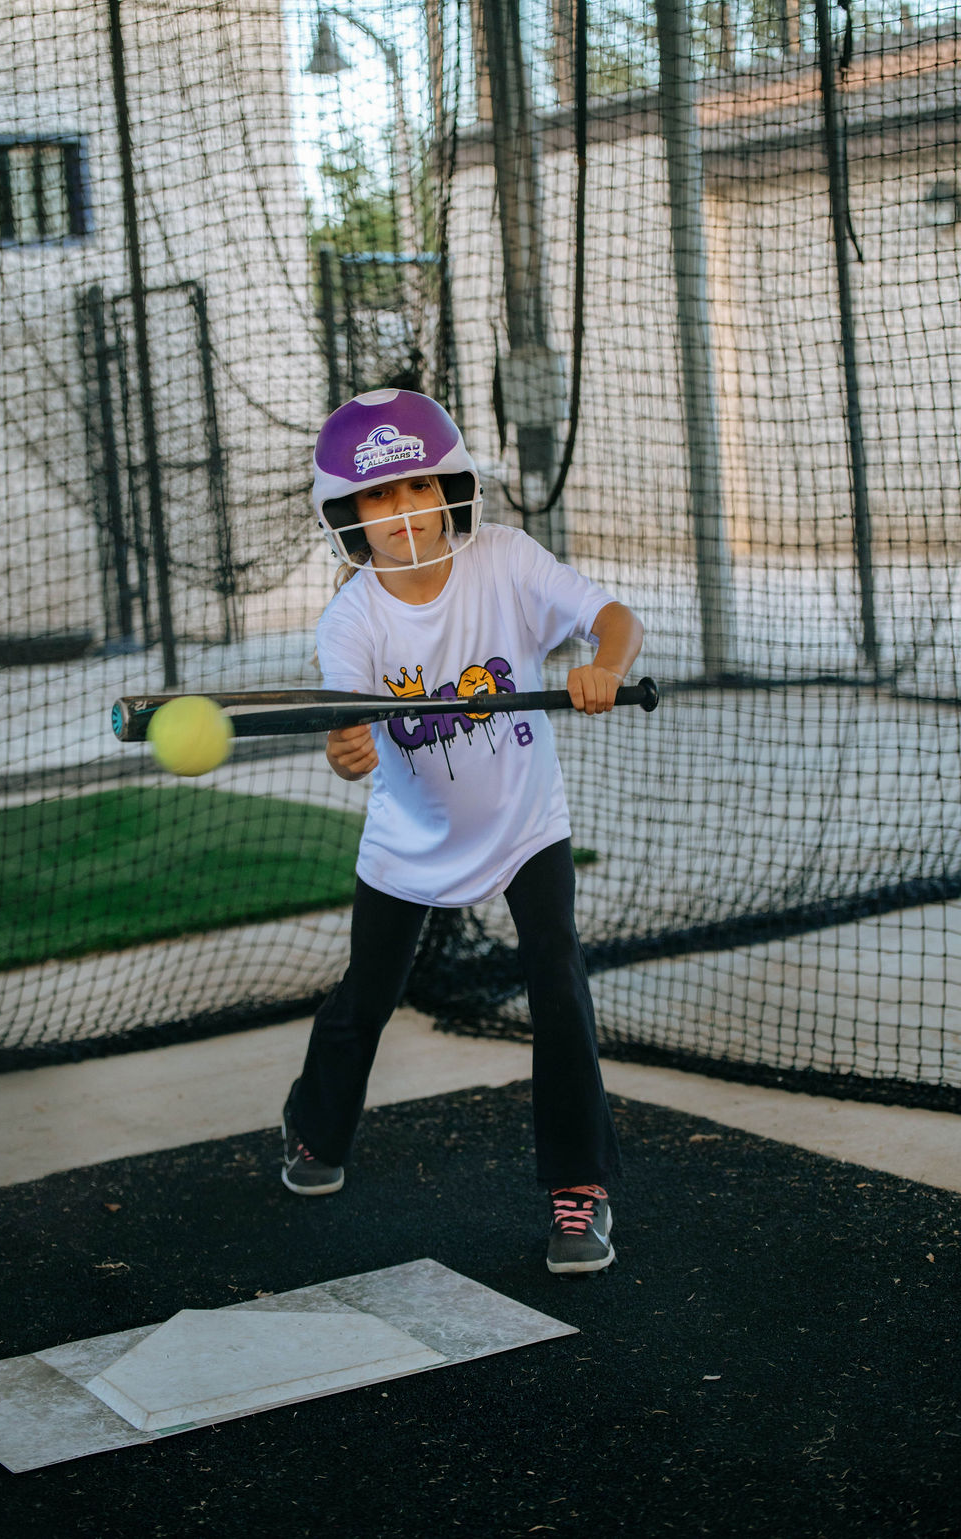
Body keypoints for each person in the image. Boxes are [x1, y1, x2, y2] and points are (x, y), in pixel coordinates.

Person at [282, 388, 644, 1276]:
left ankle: (580, 1188)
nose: (402, 514)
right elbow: (346, 723)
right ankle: (313, 1127)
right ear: (348, 517)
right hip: (410, 840)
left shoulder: (506, 560)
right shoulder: (353, 619)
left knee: (557, 976)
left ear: (451, 488)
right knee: (368, 995)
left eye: (416, 489)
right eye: (377, 498)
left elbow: (615, 619)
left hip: (527, 822)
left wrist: (602, 665)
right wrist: (345, 746)